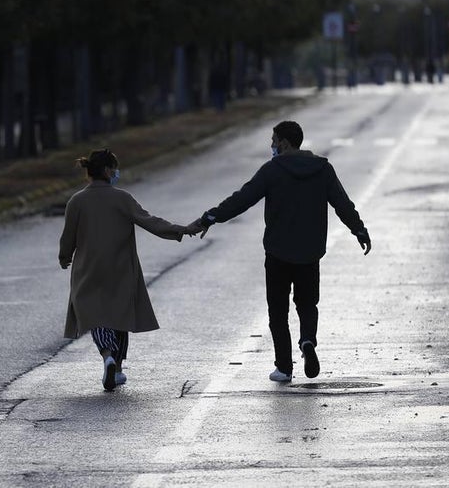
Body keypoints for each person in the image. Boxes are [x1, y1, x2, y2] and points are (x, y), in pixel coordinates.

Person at [193, 121, 371, 383]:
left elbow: (243, 199)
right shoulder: (322, 169)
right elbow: (342, 203)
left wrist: (211, 217)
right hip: (310, 253)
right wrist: (359, 229)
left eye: (274, 141)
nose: (272, 146)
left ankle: (284, 368)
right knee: (307, 304)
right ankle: (308, 340)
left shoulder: (272, 171)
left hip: (277, 253)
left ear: (285, 143)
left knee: (278, 312)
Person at [59, 148, 199, 391]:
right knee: (119, 315)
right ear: (106, 171)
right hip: (121, 268)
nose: (117, 172)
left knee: (96, 317)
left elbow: (68, 236)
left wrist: (64, 257)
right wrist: (181, 230)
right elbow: (150, 221)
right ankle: (119, 368)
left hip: (88, 269)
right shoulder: (122, 198)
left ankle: (107, 357)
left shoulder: (76, 201)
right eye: (114, 168)